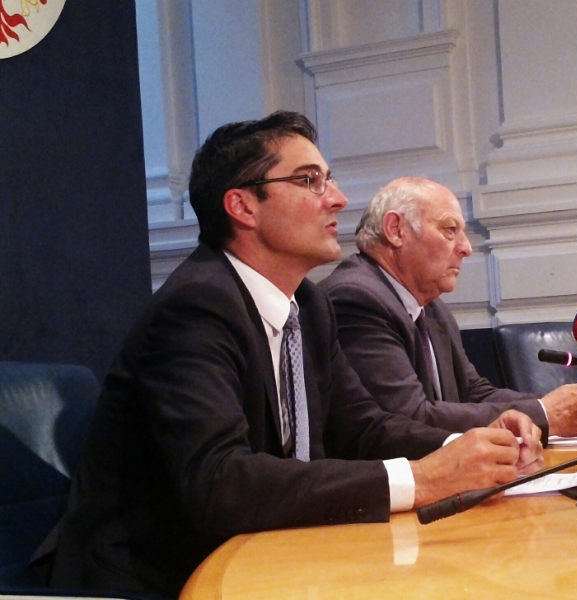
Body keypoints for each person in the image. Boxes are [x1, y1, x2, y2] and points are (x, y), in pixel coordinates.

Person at [45, 114, 543, 599]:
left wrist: (473, 446)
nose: (338, 198)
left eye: (329, 179)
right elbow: (219, 483)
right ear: (243, 206)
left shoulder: (308, 303)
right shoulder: (196, 306)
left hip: (273, 553)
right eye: (309, 180)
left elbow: (363, 428)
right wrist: (423, 477)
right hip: (157, 575)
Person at [319, 176, 577, 441]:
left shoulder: (432, 308)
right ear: (396, 230)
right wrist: (547, 412)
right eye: (450, 230)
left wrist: (569, 405)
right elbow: (407, 418)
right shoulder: (357, 299)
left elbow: (475, 393)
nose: (466, 248)